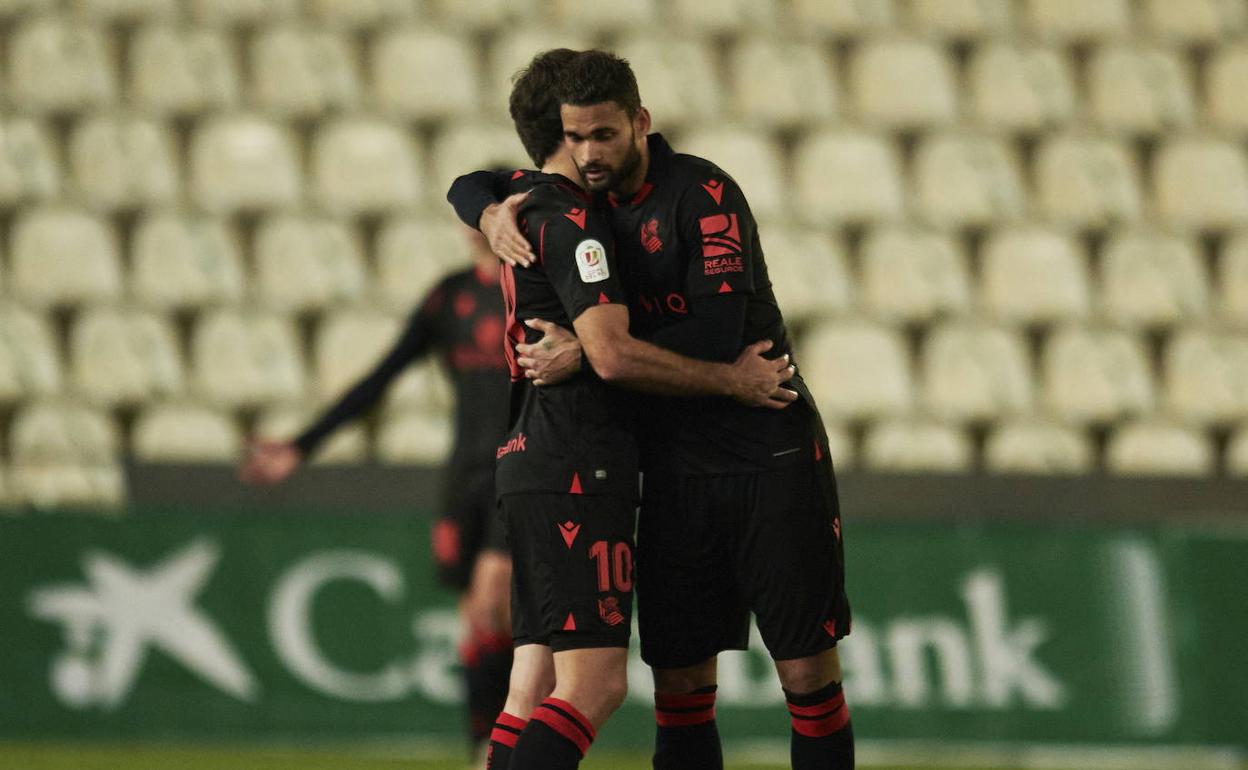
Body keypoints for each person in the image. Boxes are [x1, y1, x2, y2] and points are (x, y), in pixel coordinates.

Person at [449, 49, 854, 770]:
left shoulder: (702, 194)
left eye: (604, 134)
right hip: (668, 476)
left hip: (768, 456)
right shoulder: (577, 200)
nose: (589, 153)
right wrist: (485, 211)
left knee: (806, 680)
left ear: (640, 123)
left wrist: (593, 351)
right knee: (681, 689)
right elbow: (468, 180)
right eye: (574, 138)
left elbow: (717, 337)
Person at [237, 224, 514, 761]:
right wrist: (301, 446)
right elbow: (381, 378)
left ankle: (500, 746)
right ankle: (485, 745)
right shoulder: (449, 297)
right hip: (465, 476)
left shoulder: (530, 291)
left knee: (493, 594)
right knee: (475, 619)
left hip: (520, 468)